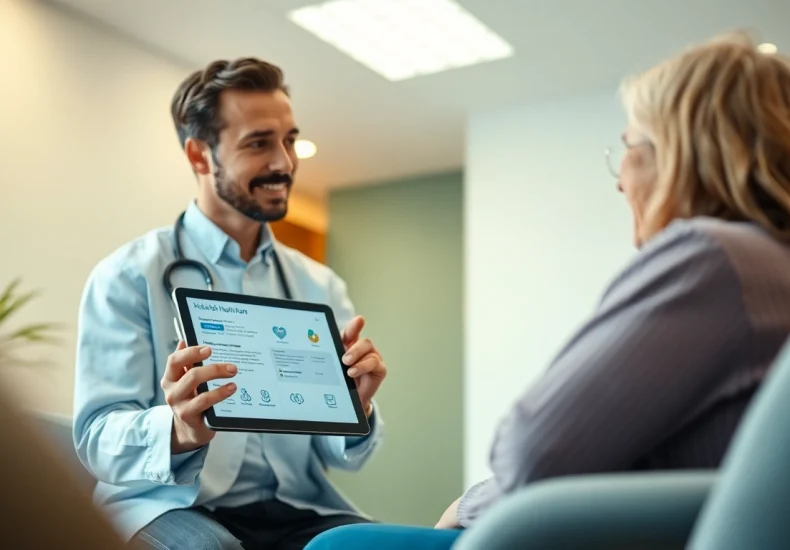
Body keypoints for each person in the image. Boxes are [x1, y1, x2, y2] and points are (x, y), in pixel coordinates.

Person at [303, 32, 790, 550]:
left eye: (627, 147)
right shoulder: (771, 266)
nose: (621, 180)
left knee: (338, 545)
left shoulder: (710, 256)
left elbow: (530, 454)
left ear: (680, 155)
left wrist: (468, 504)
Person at [72, 57, 388, 550]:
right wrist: (177, 427)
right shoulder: (129, 276)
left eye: (288, 139)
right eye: (259, 143)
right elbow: (96, 438)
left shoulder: (318, 284)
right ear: (200, 155)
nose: (284, 162)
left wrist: (355, 406)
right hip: (168, 501)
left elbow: (343, 456)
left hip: (290, 507)